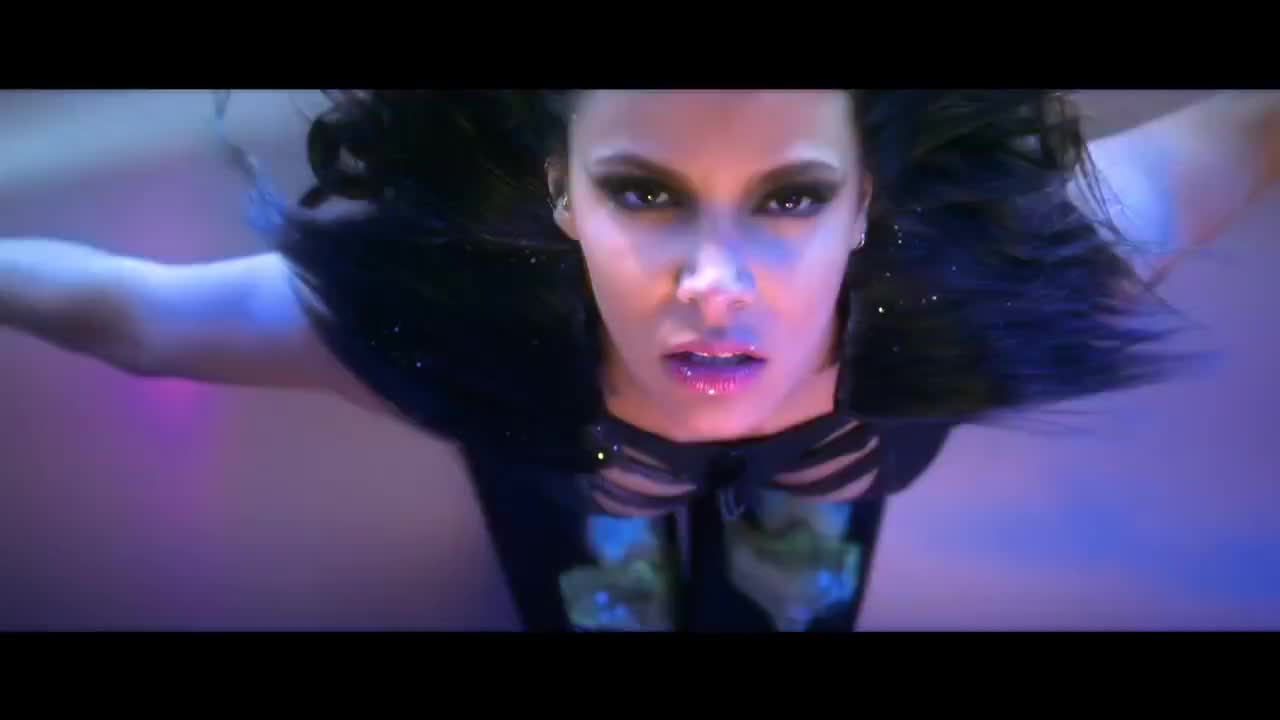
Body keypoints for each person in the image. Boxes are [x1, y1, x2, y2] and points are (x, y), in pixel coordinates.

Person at [1, 90, 1276, 632]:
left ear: (864, 202)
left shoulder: (974, 289)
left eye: (787, 197)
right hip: (551, 458)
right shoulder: (451, 317)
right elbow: (133, 315)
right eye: (645, 192)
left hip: (817, 496)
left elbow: (1238, 135)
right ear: (562, 189)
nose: (712, 286)